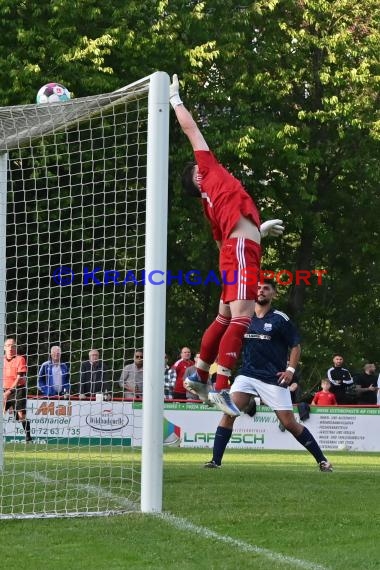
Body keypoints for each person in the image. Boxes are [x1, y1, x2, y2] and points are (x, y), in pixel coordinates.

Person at [169, 74, 284, 416]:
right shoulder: (209, 170)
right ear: (198, 175)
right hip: (240, 252)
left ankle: (200, 372)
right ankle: (222, 386)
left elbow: (231, 235)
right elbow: (191, 130)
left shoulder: (210, 202)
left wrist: (258, 229)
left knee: (224, 315)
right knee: (243, 316)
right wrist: (175, 99)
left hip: (236, 251)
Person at [204, 280, 333, 472]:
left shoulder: (280, 318)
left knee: (289, 423)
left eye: (266, 288)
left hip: (272, 378)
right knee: (229, 412)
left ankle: (322, 461)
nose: (261, 291)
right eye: (258, 288)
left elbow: (296, 345)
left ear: (274, 294)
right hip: (247, 375)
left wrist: (290, 370)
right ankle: (215, 461)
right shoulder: (243, 317)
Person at [3, 337, 32, 442]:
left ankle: (28, 437)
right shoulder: (2, 360)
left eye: (12, 346)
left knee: (21, 416)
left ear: (16, 347)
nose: (10, 348)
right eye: (8, 345)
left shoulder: (20, 359)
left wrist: (9, 391)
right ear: (4, 348)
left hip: (18, 390)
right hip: (4, 390)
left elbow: (19, 378)